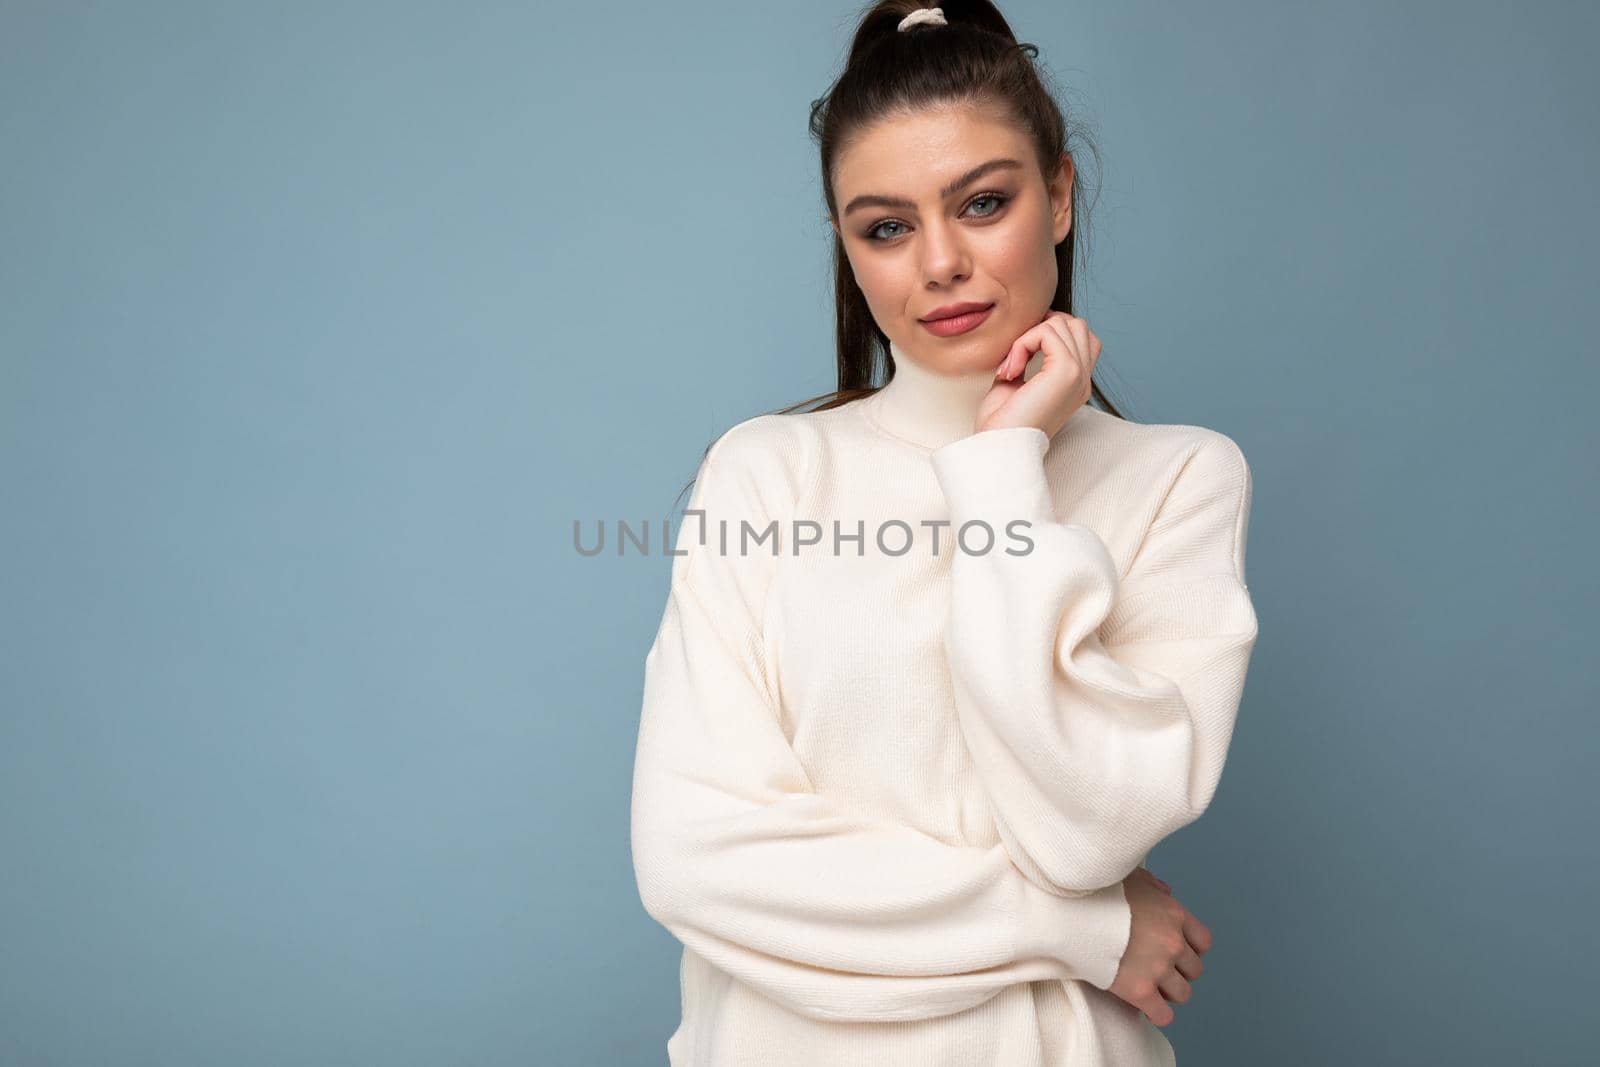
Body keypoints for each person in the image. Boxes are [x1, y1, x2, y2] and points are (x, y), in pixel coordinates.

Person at [629, 3, 1259, 1064]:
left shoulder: (1179, 480)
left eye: (981, 203)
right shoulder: (766, 473)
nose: (939, 263)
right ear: (847, 245)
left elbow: (1088, 825)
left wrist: (1001, 466)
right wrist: (1083, 929)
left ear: (1057, 196)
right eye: (886, 226)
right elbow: (694, 857)